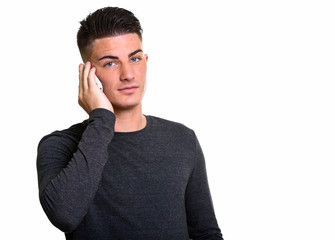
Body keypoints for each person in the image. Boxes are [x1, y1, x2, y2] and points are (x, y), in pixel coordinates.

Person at [36, 6, 223, 240]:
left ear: (145, 61)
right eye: (110, 63)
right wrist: (102, 119)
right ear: (88, 75)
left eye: (134, 59)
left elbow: (205, 233)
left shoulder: (182, 139)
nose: (128, 74)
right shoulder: (59, 145)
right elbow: (64, 215)